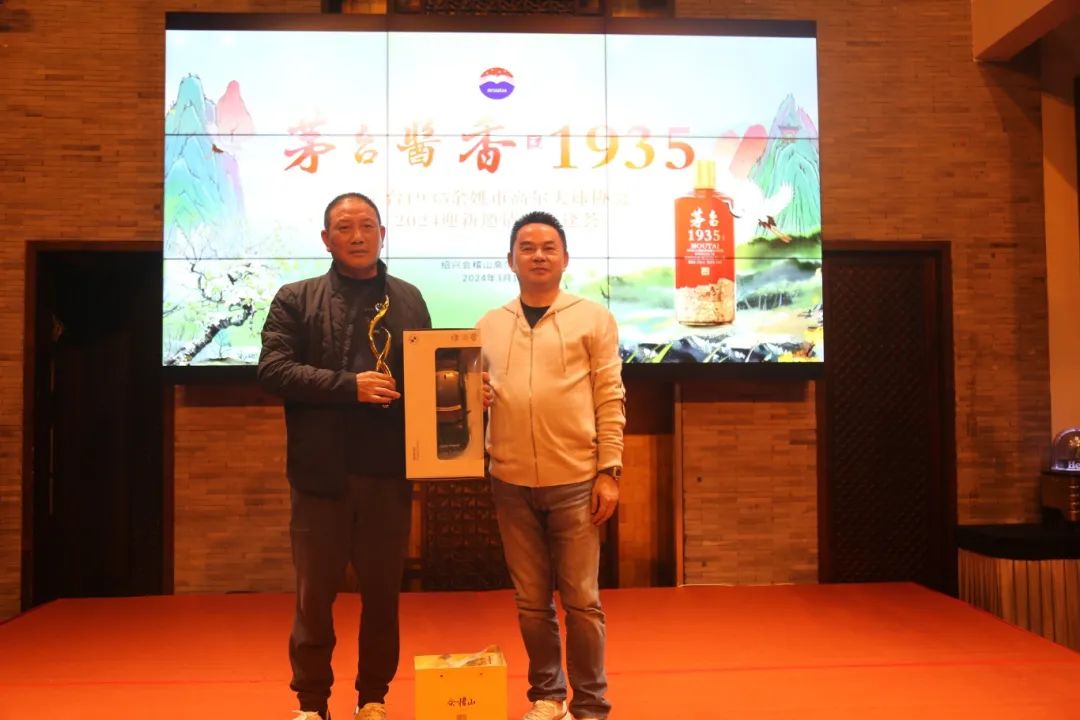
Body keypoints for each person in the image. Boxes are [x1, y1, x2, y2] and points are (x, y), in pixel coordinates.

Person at [258, 192, 431, 720]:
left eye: (367, 226)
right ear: (326, 239)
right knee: (314, 598)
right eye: (345, 227)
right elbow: (273, 370)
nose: (358, 236)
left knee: (382, 598)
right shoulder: (295, 298)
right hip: (320, 477)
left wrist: (465, 392)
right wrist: (348, 386)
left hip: (389, 474)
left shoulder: (409, 299)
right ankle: (312, 703)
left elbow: (428, 372)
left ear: (383, 234)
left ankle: (373, 698)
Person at [477, 211, 626, 720]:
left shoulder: (593, 318)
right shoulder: (489, 324)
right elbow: (470, 398)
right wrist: (473, 396)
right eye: (527, 247)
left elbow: (610, 395)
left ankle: (590, 705)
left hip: (577, 480)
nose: (537, 255)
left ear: (565, 258)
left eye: (548, 247)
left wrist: (609, 469)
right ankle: (548, 697)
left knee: (582, 601)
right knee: (530, 602)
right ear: (510, 260)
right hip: (509, 481)